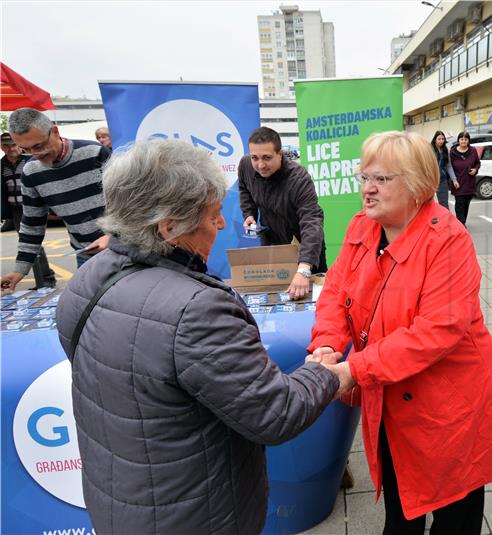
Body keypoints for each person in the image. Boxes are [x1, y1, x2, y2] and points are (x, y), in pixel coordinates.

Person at [56, 139, 349, 534]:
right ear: (169, 227)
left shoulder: (90, 275)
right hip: (194, 512)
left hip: (121, 497)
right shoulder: (196, 310)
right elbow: (275, 414)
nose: (223, 224)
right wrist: (324, 372)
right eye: (212, 216)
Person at [307, 131, 492, 534]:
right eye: (365, 176)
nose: (367, 189)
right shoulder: (362, 226)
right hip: (390, 398)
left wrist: (353, 370)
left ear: (418, 185)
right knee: (401, 513)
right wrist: (328, 344)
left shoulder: (448, 241)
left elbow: (437, 330)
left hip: (448, 408)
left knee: (456, 518)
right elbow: (335, 292)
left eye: (382, 179)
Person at [1, 108, 111, 292]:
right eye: (26, 150)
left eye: (38, 146)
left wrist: (113, 236)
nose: (35, 154)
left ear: (55, 132)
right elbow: (32, 224)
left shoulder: (95, 153)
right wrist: (20, 270)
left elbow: (131, 203)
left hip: (124, 248)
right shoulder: (31, 171)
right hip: (85, 253)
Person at [238, 126, 326, 300]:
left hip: (305, 246)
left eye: (267, 158)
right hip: (272, 243)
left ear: (280, 154)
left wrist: (304, 269)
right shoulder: (246, 165)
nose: (260, 165)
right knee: (272, 295)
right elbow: (245, 189)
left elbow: (312, 221)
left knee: (312, 298)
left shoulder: (299, 179)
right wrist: (249, 214)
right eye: (255, 158)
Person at [1, 132, 57, 288]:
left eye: (13, 144)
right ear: (1, 147)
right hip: (16, 210)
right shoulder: (1, 165)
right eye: (6, 145)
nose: (11, 148)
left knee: (35, 245)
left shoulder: (31, 160)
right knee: (29, 245)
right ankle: (44, 281)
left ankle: (46, 280)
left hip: (35, 206)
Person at [449, 131, 481, 225]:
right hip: (458, 183)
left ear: (468, 140)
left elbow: (477, 163)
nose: (463, 141)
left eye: (465, 139)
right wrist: (453, 180)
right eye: (462, 139)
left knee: (466, 204)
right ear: (458, 140)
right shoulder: (452, 152)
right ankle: (461, 225)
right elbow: (449, 167)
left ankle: (462, 222)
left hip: (469, 183)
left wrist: (475, 169)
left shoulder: (472, 150)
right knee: (459, 205)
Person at [430, 130, 455, 208]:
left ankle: (445, 219)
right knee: (428, 203)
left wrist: (454, 179)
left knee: (444, 203)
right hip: (430, 179)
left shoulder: (445, 150)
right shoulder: (429, 149)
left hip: (442, 179)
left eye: (443, 139)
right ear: (435, 139)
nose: (441, 141)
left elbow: (449, 166)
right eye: (439, 139)